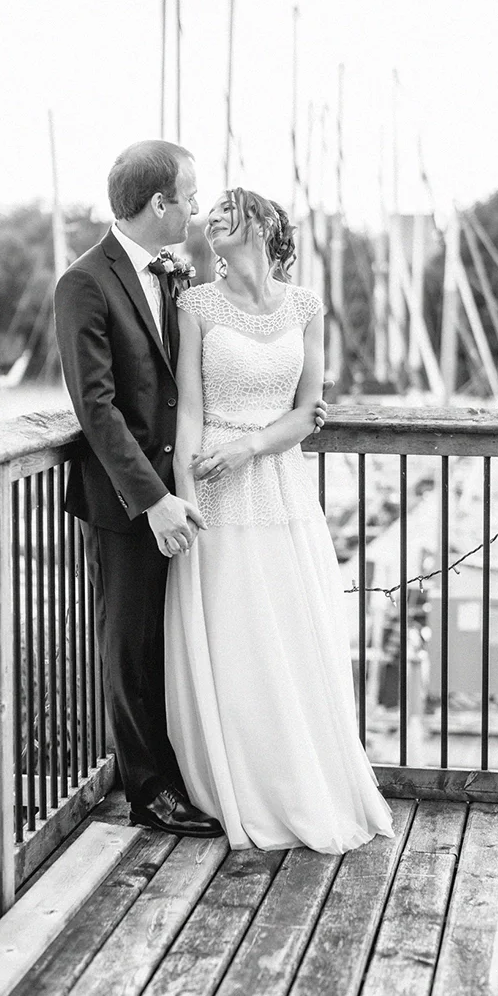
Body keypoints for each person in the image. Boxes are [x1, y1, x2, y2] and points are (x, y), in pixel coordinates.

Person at [164, 188, 396, 852]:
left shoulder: (306, 307)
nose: (216, 218)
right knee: (234, 630)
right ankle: (239, 781)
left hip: (278, 482)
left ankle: (302, 778)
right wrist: (185, 487)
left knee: (291, 629)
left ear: (265, 224)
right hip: (212, 483)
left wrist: (249, 448)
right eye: (211, 215)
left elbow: (307, 412)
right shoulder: (196, 306)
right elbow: (187, 407)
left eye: (231, 209)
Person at [53, 140, 223, 837]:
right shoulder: (84, 283)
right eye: (189, 196)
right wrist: (153, 499)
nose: (194, 207)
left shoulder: (172, 274)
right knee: (132, 645)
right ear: (160, 204)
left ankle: (189, 773)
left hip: (184, 486)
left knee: (176, 640)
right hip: (130, 503)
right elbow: (96, 407)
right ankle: (148, 792)